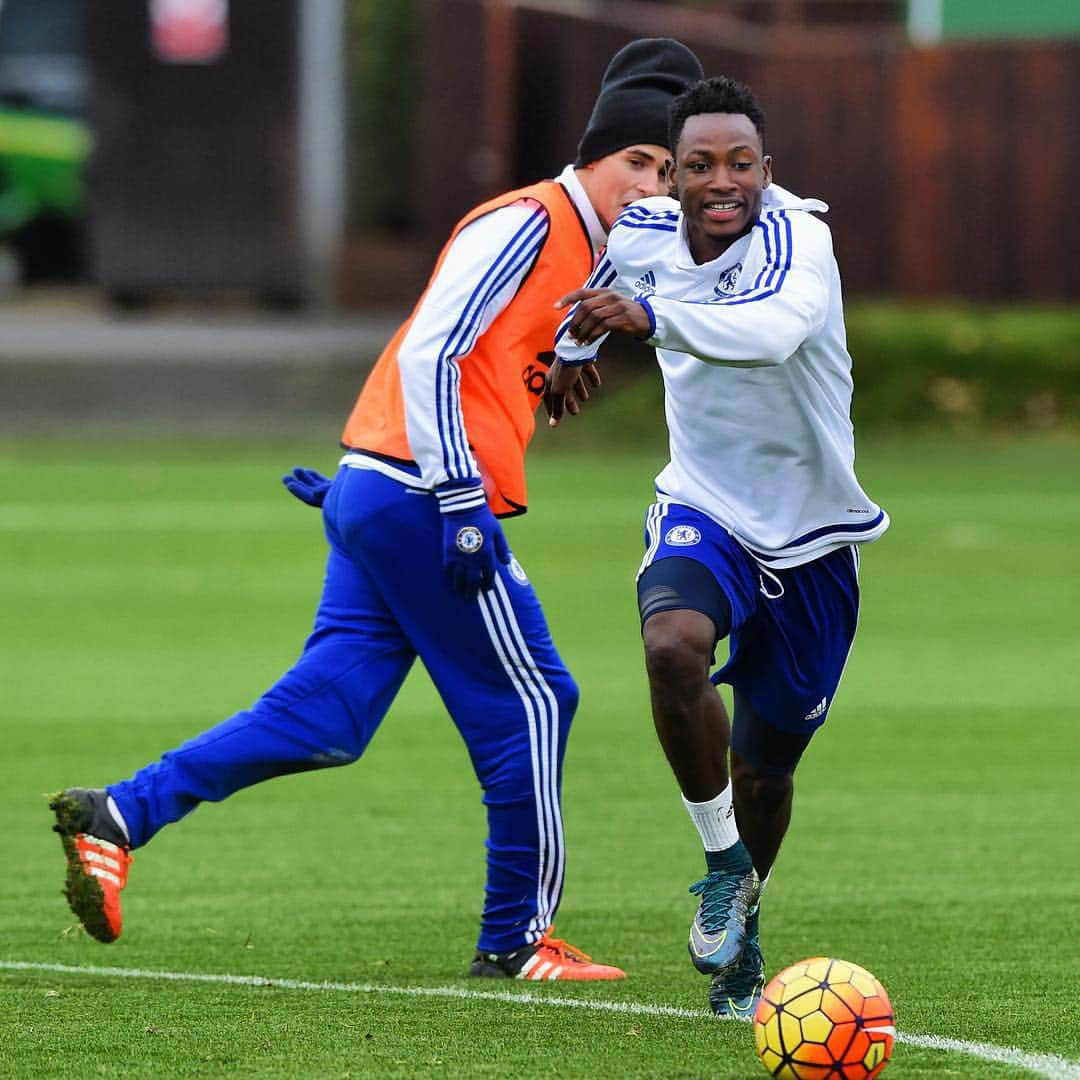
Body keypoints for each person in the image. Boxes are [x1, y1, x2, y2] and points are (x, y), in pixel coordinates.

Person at [49, 38, 705, 982]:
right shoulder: (528, 221)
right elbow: (428, 353)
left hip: (382, 487)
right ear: (593, 156)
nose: (651, 187)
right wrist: (458, 500)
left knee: (330, 714)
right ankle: (517, 941)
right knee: (538, 701)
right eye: (636, 164)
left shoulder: (599, 248)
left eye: (665, 171)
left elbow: (493, 347)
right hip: (425, 499)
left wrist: (559, 356)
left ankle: (120, 815)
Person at [546, 75, 889, 1013]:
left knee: (767, 771)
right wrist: (571, 358)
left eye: (741, 162)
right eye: (700, 164)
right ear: (675, 172)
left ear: (767, 170)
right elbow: (599, 294)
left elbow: (771, 335)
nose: (722, 180)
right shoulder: (644, 231)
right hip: (704, 505)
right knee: (671, 646)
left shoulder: (799, 240)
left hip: (815, 535)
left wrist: (648, 321)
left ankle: (745, 922)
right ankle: (720, 860)